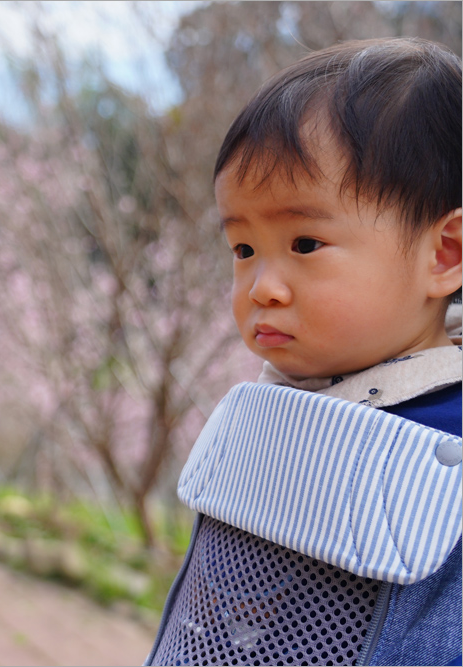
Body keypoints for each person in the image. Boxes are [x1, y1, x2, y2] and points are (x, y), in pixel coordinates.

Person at [145, 38, 462, 666]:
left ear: (444, 253)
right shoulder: (263, 414)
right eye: (243, 250)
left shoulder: (443, 437)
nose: (263, 287)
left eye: (306, 243)